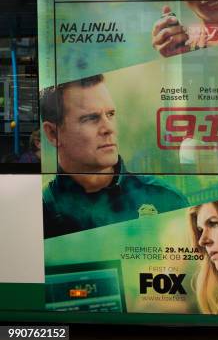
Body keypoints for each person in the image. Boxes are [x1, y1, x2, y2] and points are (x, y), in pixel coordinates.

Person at [40, 74, 188, 238]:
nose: (108, 128)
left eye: (110, 114)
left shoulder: (166, 200)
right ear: (53, 133)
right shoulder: (39, 211)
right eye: (91, 118)